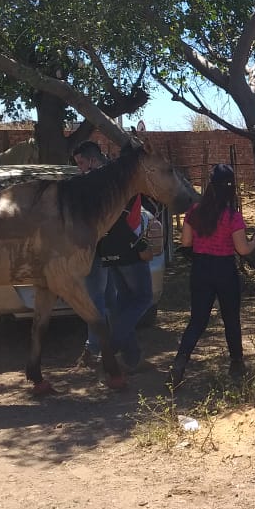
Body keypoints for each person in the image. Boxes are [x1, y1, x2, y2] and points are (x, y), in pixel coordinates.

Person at [170, 163, 255, 387]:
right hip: (224, 270)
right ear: (231, 189)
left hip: (200, 268)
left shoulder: (194, 212)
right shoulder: (233, 217)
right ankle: (236, 364)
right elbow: (243, 249)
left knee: (198, 320)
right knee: (230, 317)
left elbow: (185, 242)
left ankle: (179, 364)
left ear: (210, 185)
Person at [71, 140, 156, 375]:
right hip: (121, 250)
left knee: (117, 302)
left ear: (92, 159)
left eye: (80, 163)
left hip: (103, 250)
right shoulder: (116, 180)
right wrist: (140, 245)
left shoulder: (91, 182)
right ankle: (107, 348)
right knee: (140, 297)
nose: (80, 168)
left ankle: (131, 357)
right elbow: (120, 218)